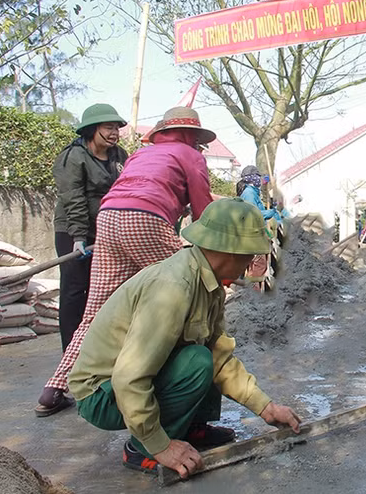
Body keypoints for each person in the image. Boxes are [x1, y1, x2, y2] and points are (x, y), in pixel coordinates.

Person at [68, 198, 302, 477]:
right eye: (248, 256)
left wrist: (266, 407)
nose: (249, 264)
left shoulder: (208, 284)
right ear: (229, 252)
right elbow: (128, 377)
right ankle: (141, 448)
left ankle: (192, 428)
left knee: (208, 351)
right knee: (197, 360)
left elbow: (220, 356)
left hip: (120, 385)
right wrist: (158, 445)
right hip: (103, 394)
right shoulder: (174, 288)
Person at [36, 106, 216, 417]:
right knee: (189, 292)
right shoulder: (191, 156)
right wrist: (212, 253)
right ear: (192, 136)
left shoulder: (139, 154)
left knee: (95, 310)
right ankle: (177, 378)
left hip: (108, 220)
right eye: (197, 139)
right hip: (145, 221)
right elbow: (204, 211)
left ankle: (54, 388)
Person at [51, 104, 128, 357]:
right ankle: (70, 355)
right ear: (92, 130)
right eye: (109, 127)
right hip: (72, 232)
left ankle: (98, 352)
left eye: (116, 127)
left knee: (103, 289)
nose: (114, 132)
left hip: (105, 230)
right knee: (75, 289)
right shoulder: (73, 157)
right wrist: (79, 237)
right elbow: (73, 198)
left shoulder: (120, 156)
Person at [236, 165, 288, 289]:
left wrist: (269, 182)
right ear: (252, 178)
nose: (260, 180)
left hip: (257, 234)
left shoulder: (252, 191)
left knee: (259, 266)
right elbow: (253, 213)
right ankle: (253, 294)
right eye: (258, 177)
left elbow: (257, 208)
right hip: (254, 236)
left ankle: (254, 292)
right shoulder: (249, 193)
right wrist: (269, 212)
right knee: (258, 266)